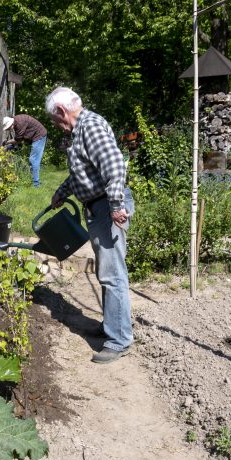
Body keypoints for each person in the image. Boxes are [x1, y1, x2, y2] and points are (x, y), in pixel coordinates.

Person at [45, 86, 135, 364]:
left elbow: (115, 167)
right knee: (107, 273)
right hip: (98, 207)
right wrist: (61, 193)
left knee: (112, 274)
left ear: (61, 111)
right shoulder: (81, 131)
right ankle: (112, 326)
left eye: (55, 120)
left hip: (107, 208)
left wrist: (117, 205)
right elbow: (84, 174)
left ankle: (119, 339)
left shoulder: (90, 127)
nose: (57, 126)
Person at [2, 114, 48, 187]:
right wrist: (10, 146)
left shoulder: (19, 123)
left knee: (33, 159)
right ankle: (35, 182)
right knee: (33, 160)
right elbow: (20, 139)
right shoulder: (16, 121)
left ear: (10, 124)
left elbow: (18, 140)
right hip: (35, 136)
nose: (8, 129)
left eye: (8, 128)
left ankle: (36, 184)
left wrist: (6, 143)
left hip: (39, 136)